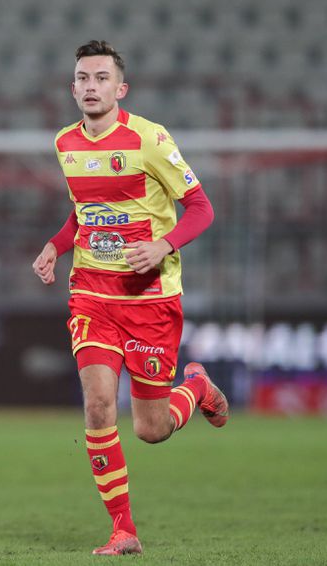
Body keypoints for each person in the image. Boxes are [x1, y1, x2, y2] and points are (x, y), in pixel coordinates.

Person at [32, 40, 229, 556]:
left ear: (121, 89)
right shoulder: (65, 143)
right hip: (91, 293)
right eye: (83, 78)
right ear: (72, 88)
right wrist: (55, 246)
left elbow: (202, 208)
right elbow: (84, 212)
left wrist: (164, 244)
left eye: (102, 78)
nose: (91, 86)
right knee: (99, 405)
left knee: (151, 429)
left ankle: (197, 388)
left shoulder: (150, 140)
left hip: (149, 299)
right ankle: (123, 530)